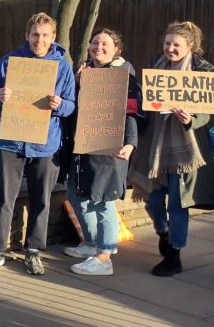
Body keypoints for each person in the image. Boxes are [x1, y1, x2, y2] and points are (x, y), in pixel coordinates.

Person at [0, 12, 76, 276]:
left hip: (45, 144)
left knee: (42, 200)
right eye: (35, 34)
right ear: (27, 35)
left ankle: (33, 251)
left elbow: (71, 106)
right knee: (4, 198)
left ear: (53, 37)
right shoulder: (11, 61)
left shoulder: (63, 67)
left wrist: (60, 106)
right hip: (10, 142)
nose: (40, 40)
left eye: (45, 35)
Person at [129, 20, 214, 277]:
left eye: (176, 45)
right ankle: (163, 231)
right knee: (153, 199)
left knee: (178, 204)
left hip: (185, 150)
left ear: (189, 46)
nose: (170, 49)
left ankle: (174, 254)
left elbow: (208, 109)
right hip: (154, 145)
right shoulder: (156, 66)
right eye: (167, 44)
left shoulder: (202, 73)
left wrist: (190, 119)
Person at [62, 29, 142, 276]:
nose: (99, 47)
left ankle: (104, 257)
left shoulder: (124, 76)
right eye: (95, 42)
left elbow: (132, 112)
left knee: (104, 201)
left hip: (110, 149)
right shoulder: (85, 73)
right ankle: (91, 243)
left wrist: (130, 143)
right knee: (77, 197)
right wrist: (77, 83)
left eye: (105, 43)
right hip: (82, 148)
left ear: (116, 48)